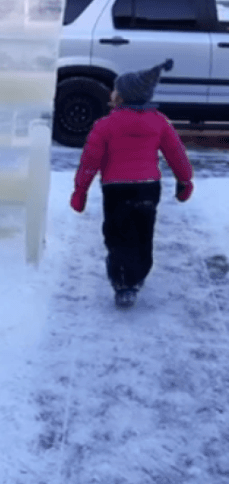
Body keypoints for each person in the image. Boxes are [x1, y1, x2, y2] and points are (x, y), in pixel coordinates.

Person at [69, 58, 194, 308]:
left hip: (116, 189)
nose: (112, 92)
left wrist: (80, 191)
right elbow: (176, 154)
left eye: (115, 89)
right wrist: (184, 181)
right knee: (142, 233)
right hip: (148, 187)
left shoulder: (105, 125)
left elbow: (89, 161)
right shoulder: (159, 122)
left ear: (122, 97)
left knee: (117, 234)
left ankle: (123, 282)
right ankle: (136, 277)